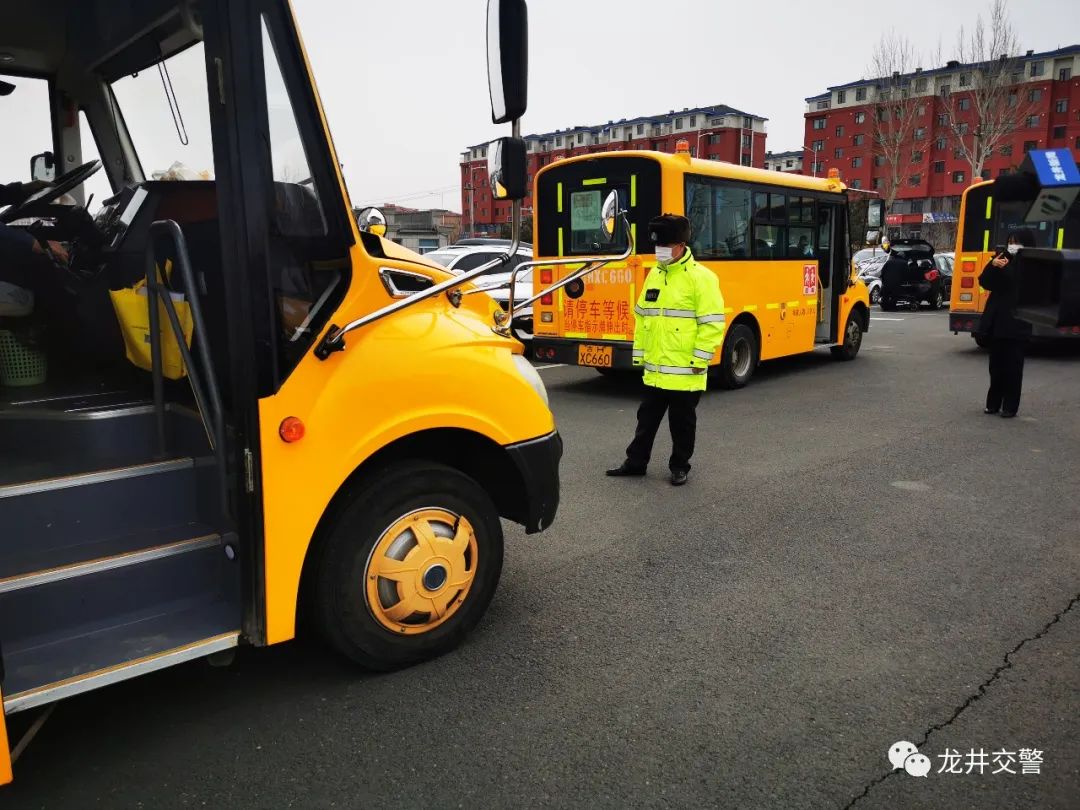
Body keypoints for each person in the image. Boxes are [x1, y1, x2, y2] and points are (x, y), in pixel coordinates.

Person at [606, 214, 726, 486]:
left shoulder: (702, 278)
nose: (659, 251)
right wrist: (640, 355)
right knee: (645, 420)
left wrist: (700, 358)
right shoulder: (654, 275)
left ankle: (680, 466)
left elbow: (712, 324)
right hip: (656, 368)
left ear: (681, 245)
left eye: (665, 246)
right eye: (657, 246)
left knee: (682, 423)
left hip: (686, 370)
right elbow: (642, 316)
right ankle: (636, 463)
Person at [976, 230, 1036, 418]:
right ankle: (993, 403)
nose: (1012, 245)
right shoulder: (1001, 258)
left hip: (1018, 322)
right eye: (1010, 241)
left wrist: (1005, 267)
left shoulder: (1032, 263)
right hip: (998, 322)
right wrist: (992, 265)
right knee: (996, 367)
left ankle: (1010, 406)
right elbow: (984, 281)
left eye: (1016, 242)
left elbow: (1017, 282)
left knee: (1013, 368)